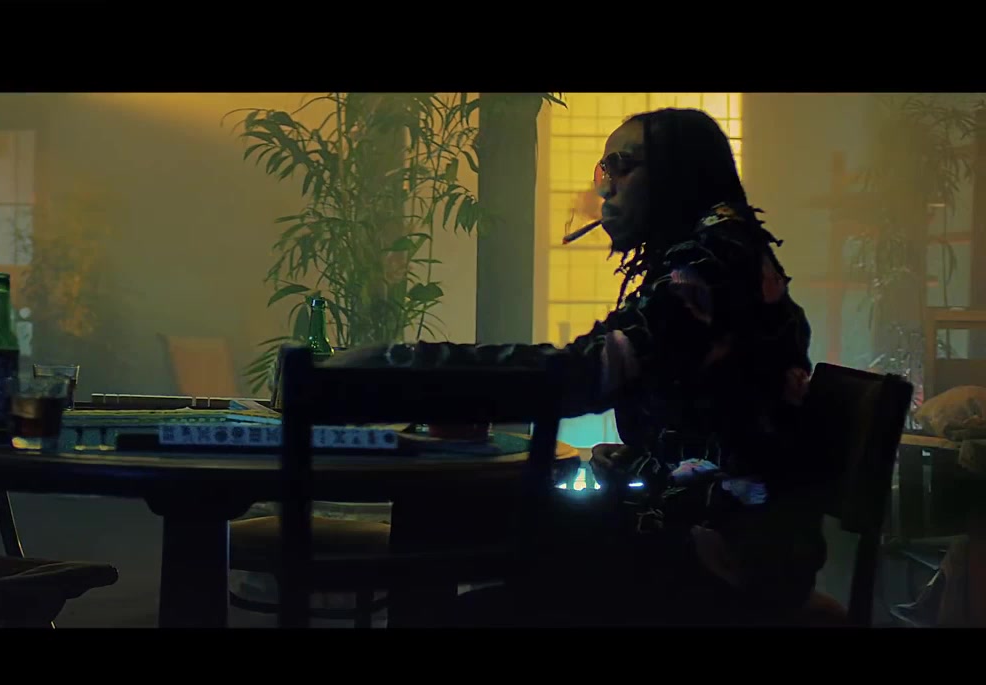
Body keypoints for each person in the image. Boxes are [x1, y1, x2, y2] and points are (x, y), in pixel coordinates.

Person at [345, 108, 822, 625]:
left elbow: (587, 372)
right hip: (702, 526)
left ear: (678, 172)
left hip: (717, 555)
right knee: (447, 519)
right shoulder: (718, 249)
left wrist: (402, 365)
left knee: (443, 526)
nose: (605, 186)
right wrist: (639, 459)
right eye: (602, 169)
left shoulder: (712, 262)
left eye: (621, 166)